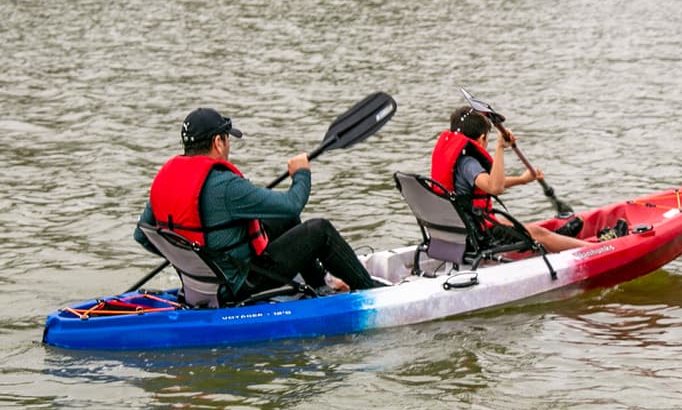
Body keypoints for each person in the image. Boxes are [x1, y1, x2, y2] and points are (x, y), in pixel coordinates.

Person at [134, 107, 383, 301]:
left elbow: (143, 236)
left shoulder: (165, 181)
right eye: (227, 139)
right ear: (218, 142)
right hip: (241, 285)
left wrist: (191, 261)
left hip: (200, 285)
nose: (228, 145)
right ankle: (372, 292)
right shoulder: (226, 185)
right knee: (320, 230)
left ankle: (320, 284)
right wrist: (301, 173)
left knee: (280, 219)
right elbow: (293, 204)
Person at [430, 105, 589, 253]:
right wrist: (500, 147)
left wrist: (522, 179)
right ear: (481, 139)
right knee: (538, 233)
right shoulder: (469, 164)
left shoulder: (455, 159)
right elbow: (495, 187)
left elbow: (486, 183)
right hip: (479, 237)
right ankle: (596, 248)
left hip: (458, 232)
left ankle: (554, 239)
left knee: (519, 227)